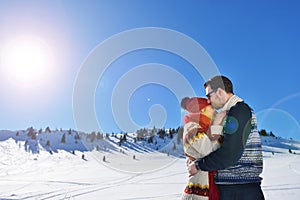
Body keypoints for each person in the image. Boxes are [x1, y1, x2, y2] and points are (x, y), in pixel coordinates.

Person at [187, 75, 264, 200]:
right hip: (232, 189)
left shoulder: (239, 110)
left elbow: (230, 154)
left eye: (208, 96)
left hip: (241, 191)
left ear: (219, 92)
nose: (208, 101)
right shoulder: (228, 114)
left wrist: (198, 166)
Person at [181, 97, 223, 200]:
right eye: (211, 107)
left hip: (209, 189)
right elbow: (208, 149)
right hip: (198, 191)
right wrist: (217, 126)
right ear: (202, 109)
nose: (214, 110)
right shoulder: (191, 127)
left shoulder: (207, 129)